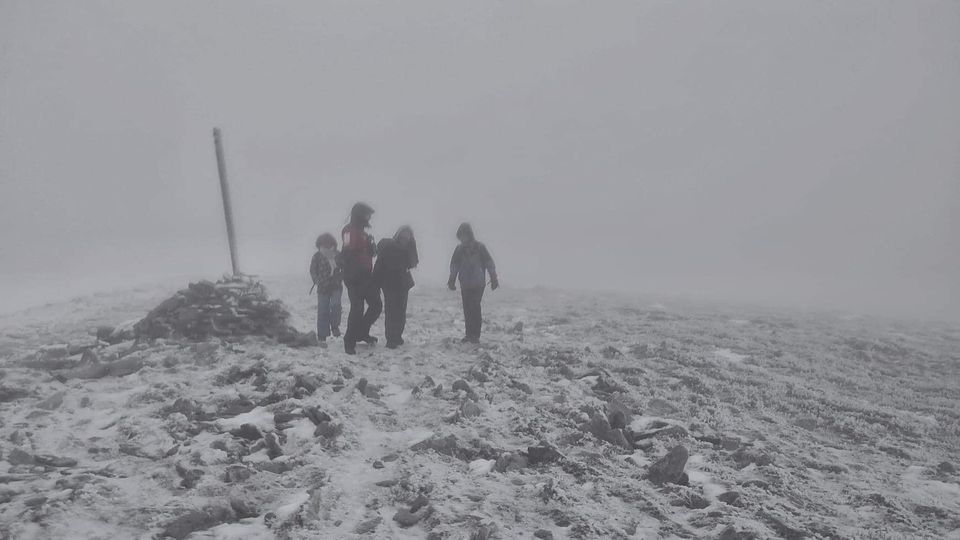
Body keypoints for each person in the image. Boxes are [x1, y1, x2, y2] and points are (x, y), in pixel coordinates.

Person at [341, 202, 382, 355]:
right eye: (367, 214)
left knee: (376, 305)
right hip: (354, 276)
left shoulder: (364, 233)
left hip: (366, 275)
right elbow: (347, 253)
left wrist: (371, 248)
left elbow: (365, 253)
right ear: (359, 215)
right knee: (357, 309)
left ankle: (361, 332)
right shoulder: (348, 231)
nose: (369, 217)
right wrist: (355, 273)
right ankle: (349, 341)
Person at [448, 223, 498, 343]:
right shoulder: (459, 250)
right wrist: (451, 280)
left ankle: (475, 335)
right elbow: (454, 266)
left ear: (469, 235)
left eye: (464, 235)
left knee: (475, 307)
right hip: (465, 283)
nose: (462, 238)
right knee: (467, 309)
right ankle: (469, 334)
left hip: (478, 283)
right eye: (460, 236)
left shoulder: (480, 247)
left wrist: (494, 278)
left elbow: (489, 263)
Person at [373, 226, 419, 349]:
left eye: (408, 236)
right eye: (403, 235)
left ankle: (397, 336)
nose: (405, 238)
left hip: (402, 284)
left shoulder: (408, 249)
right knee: (392, 311)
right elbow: (379, 264)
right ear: (398, 235)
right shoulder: (389, 247)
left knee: (400, 312)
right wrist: (376, 282)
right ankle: (391, 339)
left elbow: (413, 263)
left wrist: (411, 246)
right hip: (390, 283)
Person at [309, 233, 343, 345]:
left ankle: (334, 326)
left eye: (328, 243)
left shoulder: (337, 254)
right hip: (322, 287)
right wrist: (317, 280)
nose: (326, 245)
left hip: (336, 285)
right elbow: (313, 270)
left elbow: (344, 267)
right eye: (324, 243)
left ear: (333, 243)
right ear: (319, 244)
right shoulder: (317, 256)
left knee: (336, 305)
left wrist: (341, 276)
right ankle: (322, 336)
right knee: (322, 311)